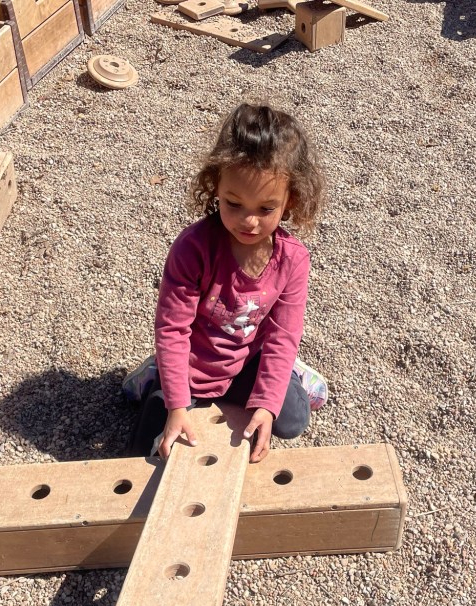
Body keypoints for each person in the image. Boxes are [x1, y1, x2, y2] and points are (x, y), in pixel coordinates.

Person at [123, 102, 328, 463]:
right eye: (234, 204)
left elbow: (283, 334)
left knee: (291, 421)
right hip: (195, 363)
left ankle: (293, 373)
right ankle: (156, 371)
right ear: (216, 185)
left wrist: (265, 405)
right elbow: (172, 328)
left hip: (248, 361)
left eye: (265, 209)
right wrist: (177, 405)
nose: (248, 221)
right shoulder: (193, 248)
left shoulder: (292, 259)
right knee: (146, 449)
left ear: (289, 201)